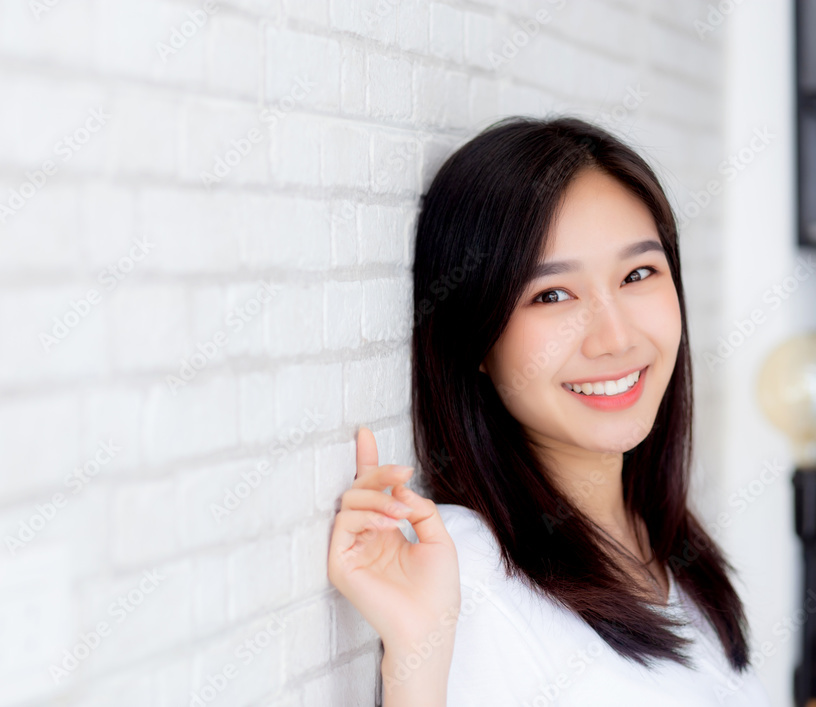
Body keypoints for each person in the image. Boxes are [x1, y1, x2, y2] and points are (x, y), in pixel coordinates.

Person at [326, 115, 773, 706]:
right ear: (477, 337)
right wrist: (417, 657)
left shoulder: (664, 546)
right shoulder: (470, 570)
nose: (614, 338)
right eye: (552, 295)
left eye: (638, 273)